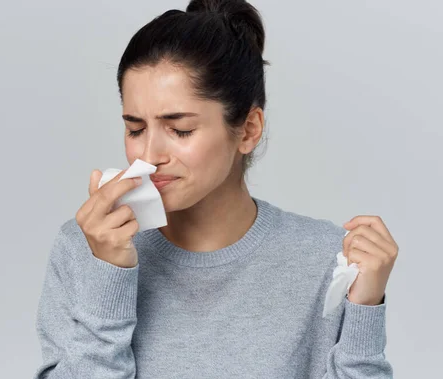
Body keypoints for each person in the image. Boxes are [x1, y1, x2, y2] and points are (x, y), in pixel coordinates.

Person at [33, 0, 399, 377]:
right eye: (135, 129)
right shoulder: (83, 249)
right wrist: (108, 277)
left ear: (249, 129)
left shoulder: (330, 259)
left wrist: (365, 310)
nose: (149, 154)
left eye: (181, 129)